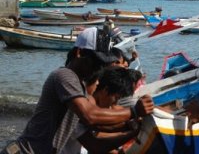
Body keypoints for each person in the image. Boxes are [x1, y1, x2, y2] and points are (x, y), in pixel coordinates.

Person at [0, 27, 154, 154]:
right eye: (96, 61)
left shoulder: (80, 90)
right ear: (79, 53)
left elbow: (96, 138)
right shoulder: (64, 76)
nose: (99, 68)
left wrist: (133, 129)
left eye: (103, 63)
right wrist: (134, 112)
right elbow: (91, 116)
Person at [61, 66, 142, 154]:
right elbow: (96, 146)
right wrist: (132, 133)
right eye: (116, 97)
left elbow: (100, 129)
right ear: (105, 90)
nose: (115, 102)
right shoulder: (79, 109)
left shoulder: (92, 108)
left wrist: (128, 128)